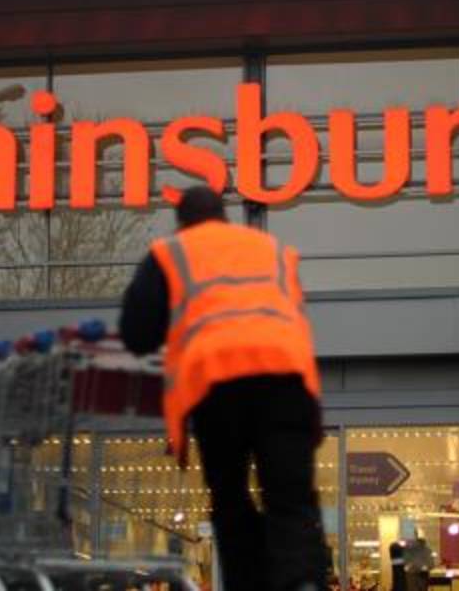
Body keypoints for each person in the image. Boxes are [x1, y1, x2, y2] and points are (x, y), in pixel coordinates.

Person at [119, 186, 330, 591]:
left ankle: (246, 582)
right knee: (290, 496)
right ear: (226, 218)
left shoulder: (171, 253)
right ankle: (303, 582)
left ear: (182, 223)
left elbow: (137, 332)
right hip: (285, 379)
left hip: (217, 385)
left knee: (231, 496)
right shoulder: (272, 250)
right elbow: (297, 322)